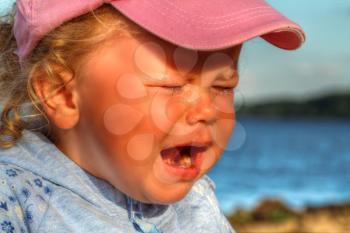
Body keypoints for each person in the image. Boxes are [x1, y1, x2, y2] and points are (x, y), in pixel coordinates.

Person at [0, 0, 305, 232]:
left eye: (223, 85)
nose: (207, 110)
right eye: (171, 85)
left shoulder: (197, 201)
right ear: (62, 94)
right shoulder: (15, 199)